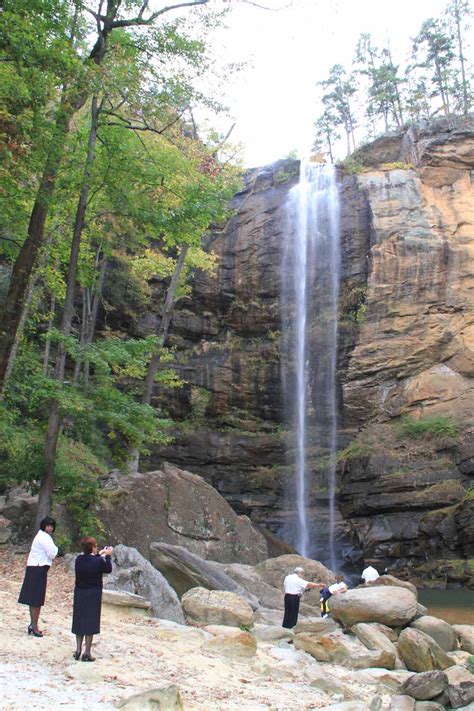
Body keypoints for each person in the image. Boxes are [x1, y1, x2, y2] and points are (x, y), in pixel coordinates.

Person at [72, 537, 113, 661]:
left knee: (79, 620)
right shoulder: (99, 561)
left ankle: (78, 649)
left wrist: (99, 555)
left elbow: (90, 559)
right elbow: (108, 569)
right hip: (93, 593)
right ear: (93, 547)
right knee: (90, 621)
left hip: (79, 592)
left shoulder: (79, 559)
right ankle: (87, 652)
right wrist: (108, 556)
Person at [18, 516, 58, 637]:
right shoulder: (43, 537)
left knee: (35, 599)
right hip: (37, 568)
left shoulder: (43, 536)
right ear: (43, 526)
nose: (50, 528)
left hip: (37, 568)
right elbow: (52, 553)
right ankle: (34, 626)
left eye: (51, 526)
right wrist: (56, 548)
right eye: (48, 526)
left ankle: (33, 624)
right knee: (36, 599)